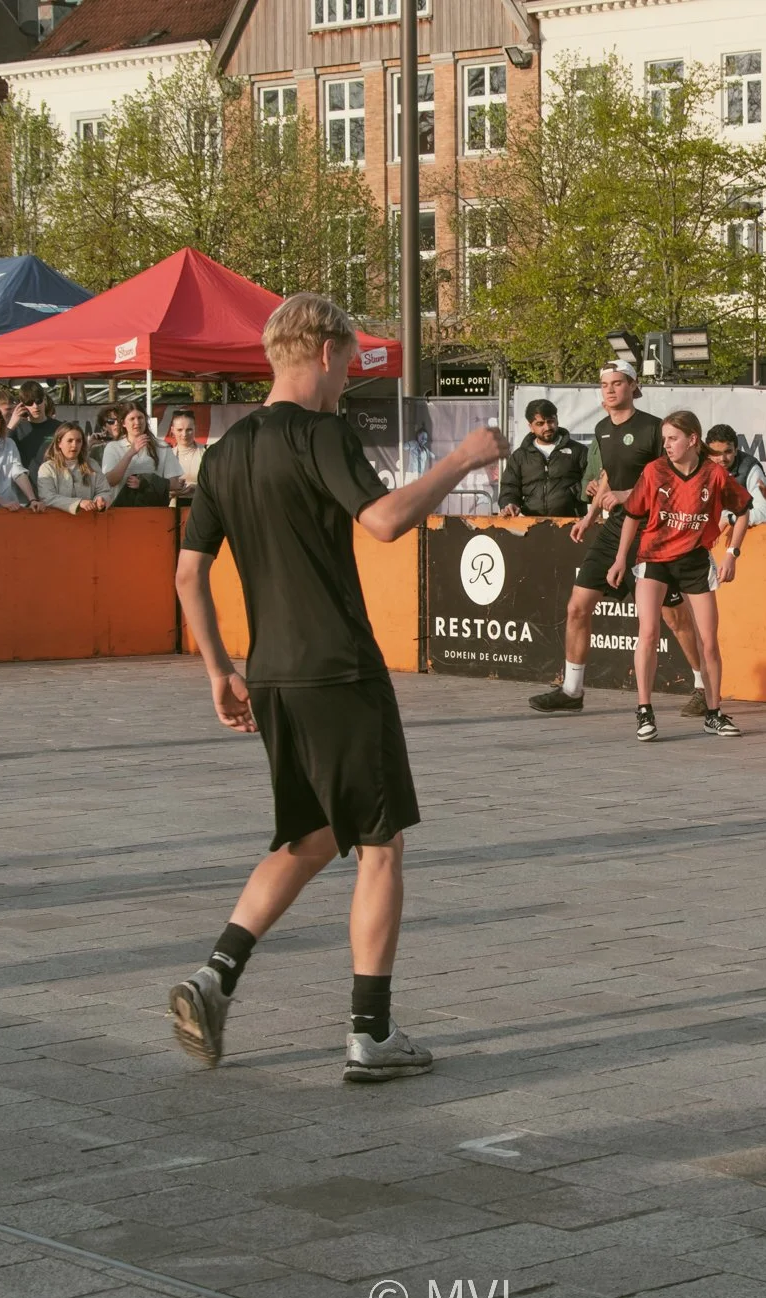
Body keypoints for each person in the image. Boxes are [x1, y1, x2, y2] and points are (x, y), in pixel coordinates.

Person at [170, 292, 508, 1083]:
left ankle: (214, 976)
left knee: (309, 834)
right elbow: (384, 521)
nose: (350, 374)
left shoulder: (225, 451)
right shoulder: (321, 433)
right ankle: (371, 1033)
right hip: (340, 667)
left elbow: (189, 573)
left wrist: (220, 668)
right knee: (381, 845)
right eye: (351, 360)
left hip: (275, 672)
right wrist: (461, 460)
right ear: (324, 352)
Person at [528, 361, 709, 717]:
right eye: (604, 385)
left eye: (617, 384)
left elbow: (674, 480)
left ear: (632, 386)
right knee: (577, 606)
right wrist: (591, 514)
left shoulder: (654, 429)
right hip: (614, 530)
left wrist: (630, 496)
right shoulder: (601, 428)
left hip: (654, 533)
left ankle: (704, 686)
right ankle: (572, 690)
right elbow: (608, 476)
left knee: (674, 618)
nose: (609, 390)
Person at [608, 410, 750, 741]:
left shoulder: (714, 474)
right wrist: (618, 559)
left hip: (695, 561)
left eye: (673, 439)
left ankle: (713, 713)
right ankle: (644, 711)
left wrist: (732, 553)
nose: (667, 445)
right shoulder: (654, 471)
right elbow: (632, 515)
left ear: (692, 440)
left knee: (709, 640)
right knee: (649, 632)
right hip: (654, 558)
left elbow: (743, 512)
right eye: (665, 439)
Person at [498, 398, 589, 517]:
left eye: (550, 421)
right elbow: (509, 488)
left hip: (572, 524)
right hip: (531, 525)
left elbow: (591, 482)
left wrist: (576, 493)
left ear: (557, 420)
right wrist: (509, 504)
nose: (547, 427)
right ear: (530, 426)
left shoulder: (579, 451)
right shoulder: (519, 456)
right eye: (540, 423)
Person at [101, 407, 186, 506]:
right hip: (121, 511)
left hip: (153, 510)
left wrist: (146, 482)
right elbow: (110, 481)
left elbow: (175, 483)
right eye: (132, 419)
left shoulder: (162, 446)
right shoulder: (113, 447)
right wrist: (131, 453)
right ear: (123, 423)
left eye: (140, 418)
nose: (137, 422)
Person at [36, 422, 116, 512]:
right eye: (70, 441)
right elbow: (47, 498)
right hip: (57, 523)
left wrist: (101, 500)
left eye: (78, 441)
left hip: (88, 522)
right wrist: (78, 503)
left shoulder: (92, 464)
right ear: (59, 443)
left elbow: (105, 491)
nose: (74, 445)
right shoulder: (47, 468)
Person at [707, 422, 766, 526]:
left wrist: (729, 518)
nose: (722, 459)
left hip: (754, 537)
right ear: (708, 454)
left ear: (736, 450)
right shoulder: (698, 467)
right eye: (716, 453)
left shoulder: (750, 469)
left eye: (728, 452)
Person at [168, 408, 206, 488]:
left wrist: (195, 488)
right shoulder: (166, 456)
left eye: (189, 430)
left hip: (199, 499)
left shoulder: (206, 453)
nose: (184, 434)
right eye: (179, 430)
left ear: (195, 428)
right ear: (172, 430)